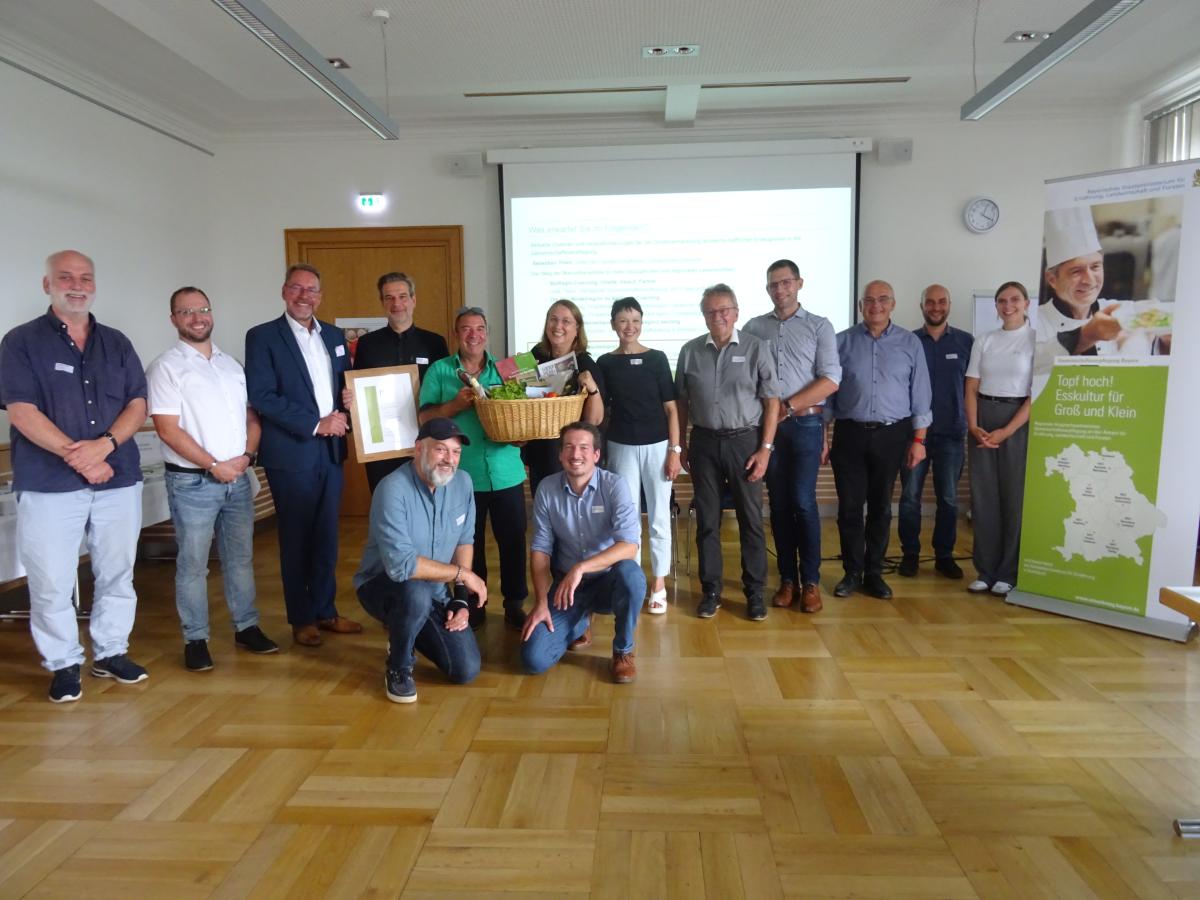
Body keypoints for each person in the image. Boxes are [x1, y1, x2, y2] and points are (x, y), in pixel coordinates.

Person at [0, 250, 149, 702]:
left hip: (118, 476)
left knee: (117, 572)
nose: (76, 284)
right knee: (50, 579)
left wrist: (103, 446)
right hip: (48, 483)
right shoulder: (20, 342)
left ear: (94, 285)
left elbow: (137, 404)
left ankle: (110, 652)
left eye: (85, 277)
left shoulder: (118, 342)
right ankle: (64, 663)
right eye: (65, 277)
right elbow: (22, 411)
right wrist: (78, 455)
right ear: (47, 285)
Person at [146, 287, 279, 672]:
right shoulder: (165, 367)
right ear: (173, 319)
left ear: (211, 312)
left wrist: (247, 457)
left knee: (240, 558)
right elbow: (168, 430)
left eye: (202, 309)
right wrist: (212, 465)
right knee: (193, 563)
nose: (196, 317)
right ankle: (196, 638)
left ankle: (246, 626)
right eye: (186, 312)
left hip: (237, 477)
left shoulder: (231, 365)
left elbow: (252, 417)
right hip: (192, 483)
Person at [245, 263, 362, 648]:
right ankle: (301, 617)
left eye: (311, 289)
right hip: (291, 452)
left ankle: (325, 610)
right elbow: (262, 395)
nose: (304, 296)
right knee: (296, 537)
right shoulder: (262, 336)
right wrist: (316, 423)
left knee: (327, 535)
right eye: (296, 288)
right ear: (283, 291)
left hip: (330, 452)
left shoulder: (333, 335)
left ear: (320, 296)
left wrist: (347, 402)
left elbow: (343, 384)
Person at [354, 417, 484, 703]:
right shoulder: (392, 489)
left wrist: (460, 598)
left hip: (433, 589)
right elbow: (402, 566)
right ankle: (399, 667)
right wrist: (463, 575)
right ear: (419, 449)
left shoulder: (463, 482)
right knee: (415, 592)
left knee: (465, 669)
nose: (449, 459)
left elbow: (465, 540)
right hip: (381, 584)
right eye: (440, 449)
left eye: (456, 452)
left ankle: (405, 629)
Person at [418, 307, 528, 630]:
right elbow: (425, 419)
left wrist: (520, 435)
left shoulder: (507, 370)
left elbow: (522, 416)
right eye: (466, 329)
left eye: (480, 329)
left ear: (487, 333)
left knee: (513, 542)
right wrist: (455, 405)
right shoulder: (440, 371)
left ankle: (515, 604)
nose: (473, 335)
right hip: (461, 476)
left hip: (507, 471)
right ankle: (471, 602)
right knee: (469, 544)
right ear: (456, 334)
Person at [676, 284, 779, 621]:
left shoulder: (756, 348)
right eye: (711, 311)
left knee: (751, 519)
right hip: (704, 442)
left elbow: (771, 401)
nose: (718, 316)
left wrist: (765, 449)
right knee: (707, 520)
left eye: (724, 310)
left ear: (736, 313)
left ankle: (755, 593)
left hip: (744, 442)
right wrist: (681, 445)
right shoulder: (690, 351)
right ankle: (711, 591)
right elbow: (681, 402)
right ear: (703, 315)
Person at [743, 260, 840, 614]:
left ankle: (811, 582)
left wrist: (787, 406)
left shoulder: (819, 326)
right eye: (773, 285)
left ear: (799, 283)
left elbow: (831, 380)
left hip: (805, 426)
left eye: (785, 283)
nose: (779, 290)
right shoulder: (753, 329)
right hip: (768, 430)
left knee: (803, 501)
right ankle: (787, 580)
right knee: (780, 506)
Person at [828, 280, 932, 601]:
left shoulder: (910, 343)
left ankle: (874, 572)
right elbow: (829, 394)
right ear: (861, 306)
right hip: (849, 435)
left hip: (892, 435)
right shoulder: (841, 342)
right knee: (848, 508)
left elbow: (921, 395)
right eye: (869, 300)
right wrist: (822, 435)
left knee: (881, 508)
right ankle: (851, 572)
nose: (876, 305)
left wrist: (919, 440)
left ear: (893, 303)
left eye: (883, 299)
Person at [521, 422, 645, 683]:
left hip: (609, 582)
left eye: (583, 448)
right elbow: (541, 549)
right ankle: (580, 621)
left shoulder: (614, 486)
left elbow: (630, 545)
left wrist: (581, 567)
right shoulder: (547, 488)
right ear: (559, 454)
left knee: (632, 575)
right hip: (569, 588)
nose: (575, 454)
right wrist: (542, 602)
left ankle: (623, 651)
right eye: (568, 447)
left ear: (596, 455)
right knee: (533, 659)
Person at [597, 298, 680, 615]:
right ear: (613, 324)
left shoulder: (657, 359)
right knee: (626, 520)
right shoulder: (605, 362)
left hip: (659, 447)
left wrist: (675, 451)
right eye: (622, 320)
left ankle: (658, 584)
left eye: (635, 320)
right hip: (620, 447)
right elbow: (601, 409)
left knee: (659, 518)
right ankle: (632, 584)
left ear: (642, 322)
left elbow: (671, 409)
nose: (629, 326)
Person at [1034, 206, 1169, 381]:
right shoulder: (1035, 322)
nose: (1089, 280)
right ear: (1052, 279)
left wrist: (1166, 343)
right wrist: (1087, 335)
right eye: (1076, 271)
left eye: (1096, 266)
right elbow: (1032, 362)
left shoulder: (1123, 311)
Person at [896, 284, 973, 580]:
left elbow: (973, 387)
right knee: (910, 498)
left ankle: (944, 556)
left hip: (952, 434)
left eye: (942, 302)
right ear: (921, 306)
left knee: (949, 500)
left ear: (949, 304)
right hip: (915, 435)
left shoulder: (967, 342)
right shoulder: (909, 342)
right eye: (930, 302)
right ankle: (910, 555)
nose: (936, 307)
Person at [964, 282, 1035, 596]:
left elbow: (1036, 395)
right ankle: (986, 569)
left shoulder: (1037, 341)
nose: (1008, 306)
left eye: (1015, 300)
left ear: (1026, 303)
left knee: (1013, 499)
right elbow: (970, 387)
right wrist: (974, 425)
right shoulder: (985, 340)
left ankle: (1008, 571)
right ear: (995, 306)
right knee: (984, 499)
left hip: (1016, 421)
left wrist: (1007, 431)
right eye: (1002, 301)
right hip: (983, 420)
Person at [352, 272, 450, 491]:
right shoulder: (367, 344)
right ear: (382, 302)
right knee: (384, 501)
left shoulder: (434, 343)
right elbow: (357, 390)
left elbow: (445, 391)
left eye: (402, 296)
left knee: (426, 501)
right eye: (389, 297)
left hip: (425, 441)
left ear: (413, 300)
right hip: (380, 444)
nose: (397, 304)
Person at [522, 300, 604, 497]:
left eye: (566, 321)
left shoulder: (586, 363)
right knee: (544, 508)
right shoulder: (536, 355)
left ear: (577, 329)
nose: (558, 326)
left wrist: (592, 389)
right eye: (553, 319)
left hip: (573, 453)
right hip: (539, 451)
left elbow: (595, 421)